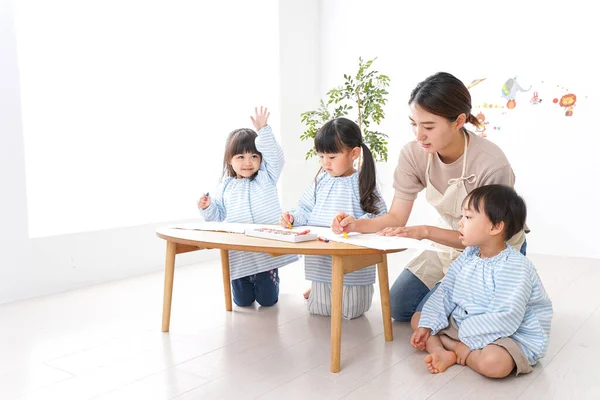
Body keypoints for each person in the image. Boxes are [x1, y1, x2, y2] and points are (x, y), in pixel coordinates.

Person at [332, 72, 527, 324]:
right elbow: (395, 217)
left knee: (443, 317)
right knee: (398, 307)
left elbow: (485, 240)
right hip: (450, 238)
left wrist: (424, 231)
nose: (418, 135)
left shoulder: (491, 163)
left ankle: (514, 294)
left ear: (458, 120)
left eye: (429, 126)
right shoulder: (414, 154)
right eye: (414, 123)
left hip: (491, 249)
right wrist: (355, 225)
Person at [411, 184, 552, 378]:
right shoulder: (469, 255)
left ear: (495, 227)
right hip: (467, 324)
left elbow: (506, 317)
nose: (460, 223)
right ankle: (444, 352)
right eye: (462, 216)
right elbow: (445, 292)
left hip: (505, 333)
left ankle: (458, 351)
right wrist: (427, 325)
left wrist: (466, 342)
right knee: (419, 319)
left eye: (468, 217)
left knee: (495, 364)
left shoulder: (515, 267)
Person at [280, 117, 386, 319]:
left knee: (349, 310)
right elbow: (305, 209)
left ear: (353, 153)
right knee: (319, 309)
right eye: (321, 157)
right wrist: (292, 217)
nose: (325, 163)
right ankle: (318, 288)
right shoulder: (320, 182)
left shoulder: (363, 182)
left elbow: (380, 216)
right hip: (320, 258)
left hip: (351, 265)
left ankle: (328, 290)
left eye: (332, 157)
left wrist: (353, 222)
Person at [198, 106, 297, 307]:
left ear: (261, 159)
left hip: (265, 249)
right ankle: (245, 286)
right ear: (230, 160)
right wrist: (208, 207)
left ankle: (272, 283)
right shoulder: (225, 186)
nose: (248, 162)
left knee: (268, 300)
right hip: (240, 253)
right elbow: (217, 215)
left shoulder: (267, 177)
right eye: (241, 157)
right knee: (242, 302)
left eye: (254, 156)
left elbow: (277, 158)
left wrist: (264, 130)